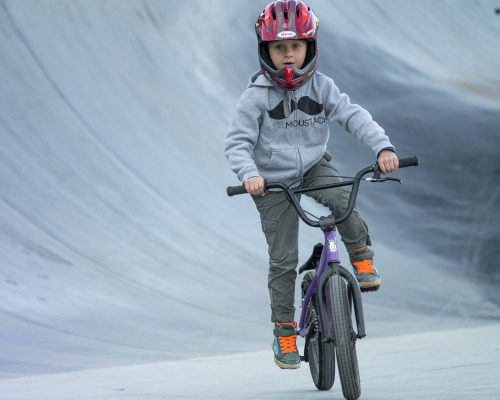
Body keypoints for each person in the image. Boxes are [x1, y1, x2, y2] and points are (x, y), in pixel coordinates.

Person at [224, 0, 399, 370]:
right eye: (279, 47)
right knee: (283, 258)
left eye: (296, 46)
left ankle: (361, 257)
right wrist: (249, 174)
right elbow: (237, 143)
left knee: (341, 197)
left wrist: (382, 146)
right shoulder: (255, 96)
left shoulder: (322, 86)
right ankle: (284, 330)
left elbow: (352, 115)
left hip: (313, 167)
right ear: (265, 51)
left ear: (310, 47)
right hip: (271, 182)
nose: (289, 54)